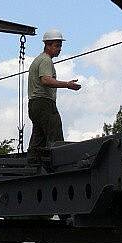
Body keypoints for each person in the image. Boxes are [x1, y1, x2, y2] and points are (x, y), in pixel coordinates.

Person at [27, 29, 81, 165]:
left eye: (60, 46)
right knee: (55, 136)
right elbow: (46, 80)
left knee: (38, 138)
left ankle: (32, 164)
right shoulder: (45, 61)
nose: (59, 49)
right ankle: (59, 166)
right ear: (48, 45)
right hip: (44, 103)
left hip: (34, 104)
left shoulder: (38, 60)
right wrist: (67, 85)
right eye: (57, 46)